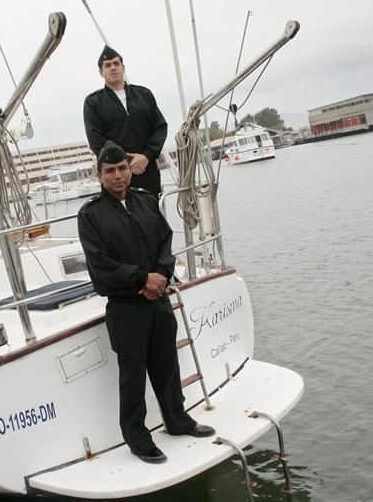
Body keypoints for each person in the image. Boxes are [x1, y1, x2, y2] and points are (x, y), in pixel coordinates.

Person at [77, 142, 215, 465]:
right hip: (126, 307)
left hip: (159, 300)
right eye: (109, 171)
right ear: (99, 175)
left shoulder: (147, 201)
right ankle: (138, 440)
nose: (117, 176)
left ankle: (177, 420)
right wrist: (142, 280)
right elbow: (101, 264)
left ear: (130, 170)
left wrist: (161, 277)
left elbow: (165, 243)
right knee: (133, 376)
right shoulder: (91, 215)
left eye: (122, 168)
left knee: (167, 364)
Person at [83, 45, 167, 196]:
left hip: (147, 173)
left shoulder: (144, 94)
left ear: (123, 68)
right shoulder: (93, 102)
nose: (113, 67)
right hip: (115, 179)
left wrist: (147, 156)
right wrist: (125, 162)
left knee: (152, 210)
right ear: (101, 72)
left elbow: (160, 127)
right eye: (107, 65)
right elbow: (95, 140)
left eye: (116, 63)